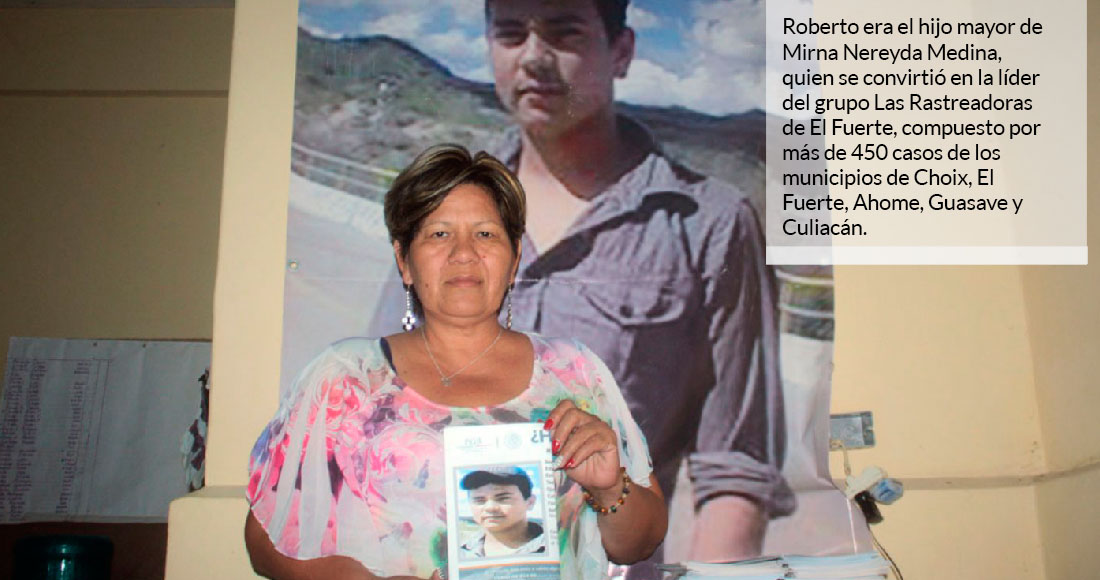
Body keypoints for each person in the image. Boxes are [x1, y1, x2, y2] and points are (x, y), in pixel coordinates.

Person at [245, 144, 668, 580]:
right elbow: (265, 541)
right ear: (404, 261)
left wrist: (609, 488)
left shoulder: (574, 371)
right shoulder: (348, 379)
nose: (463, 252)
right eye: (438, 234)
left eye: (485, 234)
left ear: (514, 259)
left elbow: (640, 542)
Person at [480, 0, 795, 568]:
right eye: (510, 33)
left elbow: (737, 470)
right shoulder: (441, 208)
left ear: (621, 52)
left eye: (564, 32)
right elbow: (375, 410)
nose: (533, 56)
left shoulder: (711, 227)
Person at [458, 467, 546, 559]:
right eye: (479, 500)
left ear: (530, 502)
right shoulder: (461, 553)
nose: (490, 508)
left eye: (503, 498)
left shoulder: (551, 547)